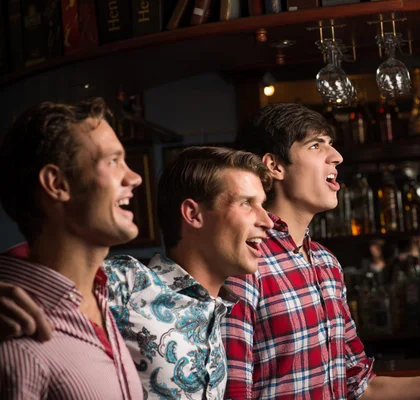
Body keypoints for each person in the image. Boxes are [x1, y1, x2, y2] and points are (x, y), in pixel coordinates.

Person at [223, 103, 420, 399]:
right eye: (316, 145)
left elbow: (359, 385)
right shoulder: (244, 262)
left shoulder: (325, 263)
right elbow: (233, 394)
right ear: (275, 166)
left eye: (331, 145)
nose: (337, 157)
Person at [0, 144, 274, 399]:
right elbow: (39, 266)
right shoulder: (128, 283)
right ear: (193, 214)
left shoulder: (218, 308)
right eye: (246, 203)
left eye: (262, 204)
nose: (268, 222)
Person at [0, 99, 144, 399]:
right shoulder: (16, 335)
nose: (134, 178)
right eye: (112, 161)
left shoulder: (104, 295)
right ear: (57, 184)